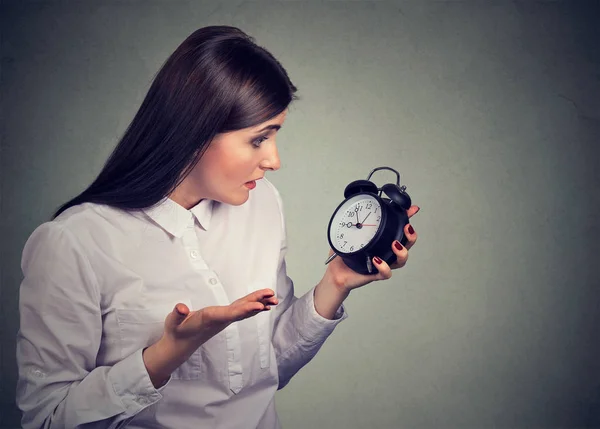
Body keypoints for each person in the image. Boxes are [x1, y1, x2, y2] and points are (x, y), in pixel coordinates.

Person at [15, 25, 420, 429]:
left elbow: (266, 369)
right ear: (195, 131)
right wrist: (165, 355)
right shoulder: (74, 243)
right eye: (259, 139)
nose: (274, 160)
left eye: (275, 135)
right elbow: (47, 419)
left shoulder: (261, 204)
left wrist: (336, 282)